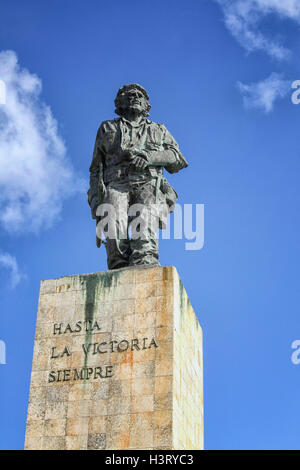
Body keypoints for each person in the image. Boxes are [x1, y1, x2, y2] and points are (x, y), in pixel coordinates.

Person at [88, 83, 188, 270]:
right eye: (128, 95)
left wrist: (150, 157)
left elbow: (177, 158)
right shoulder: (107, 128)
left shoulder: (158, 130)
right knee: (113, 223)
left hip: (147, 182)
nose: (134, 97)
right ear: (119, 102)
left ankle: (144, 262)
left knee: (144, 226)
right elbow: (95, 169)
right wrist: (95, 199)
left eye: (139, 95)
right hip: (116, 183)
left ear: (146, 106)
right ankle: (117, 266)